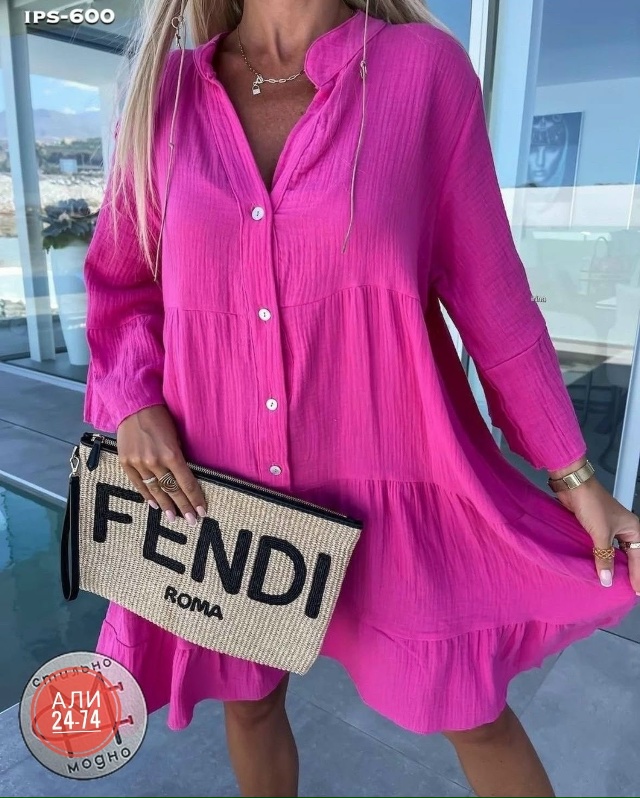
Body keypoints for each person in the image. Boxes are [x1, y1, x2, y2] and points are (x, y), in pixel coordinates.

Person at [82, 0, 640, 796]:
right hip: (221, 487)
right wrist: (132, 402)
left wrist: (574, 473)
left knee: (472, 710)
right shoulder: (161, 96)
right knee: (250, 704)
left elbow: (493, 296)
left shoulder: (422, 74)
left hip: (392, 477)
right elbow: (122, 285)